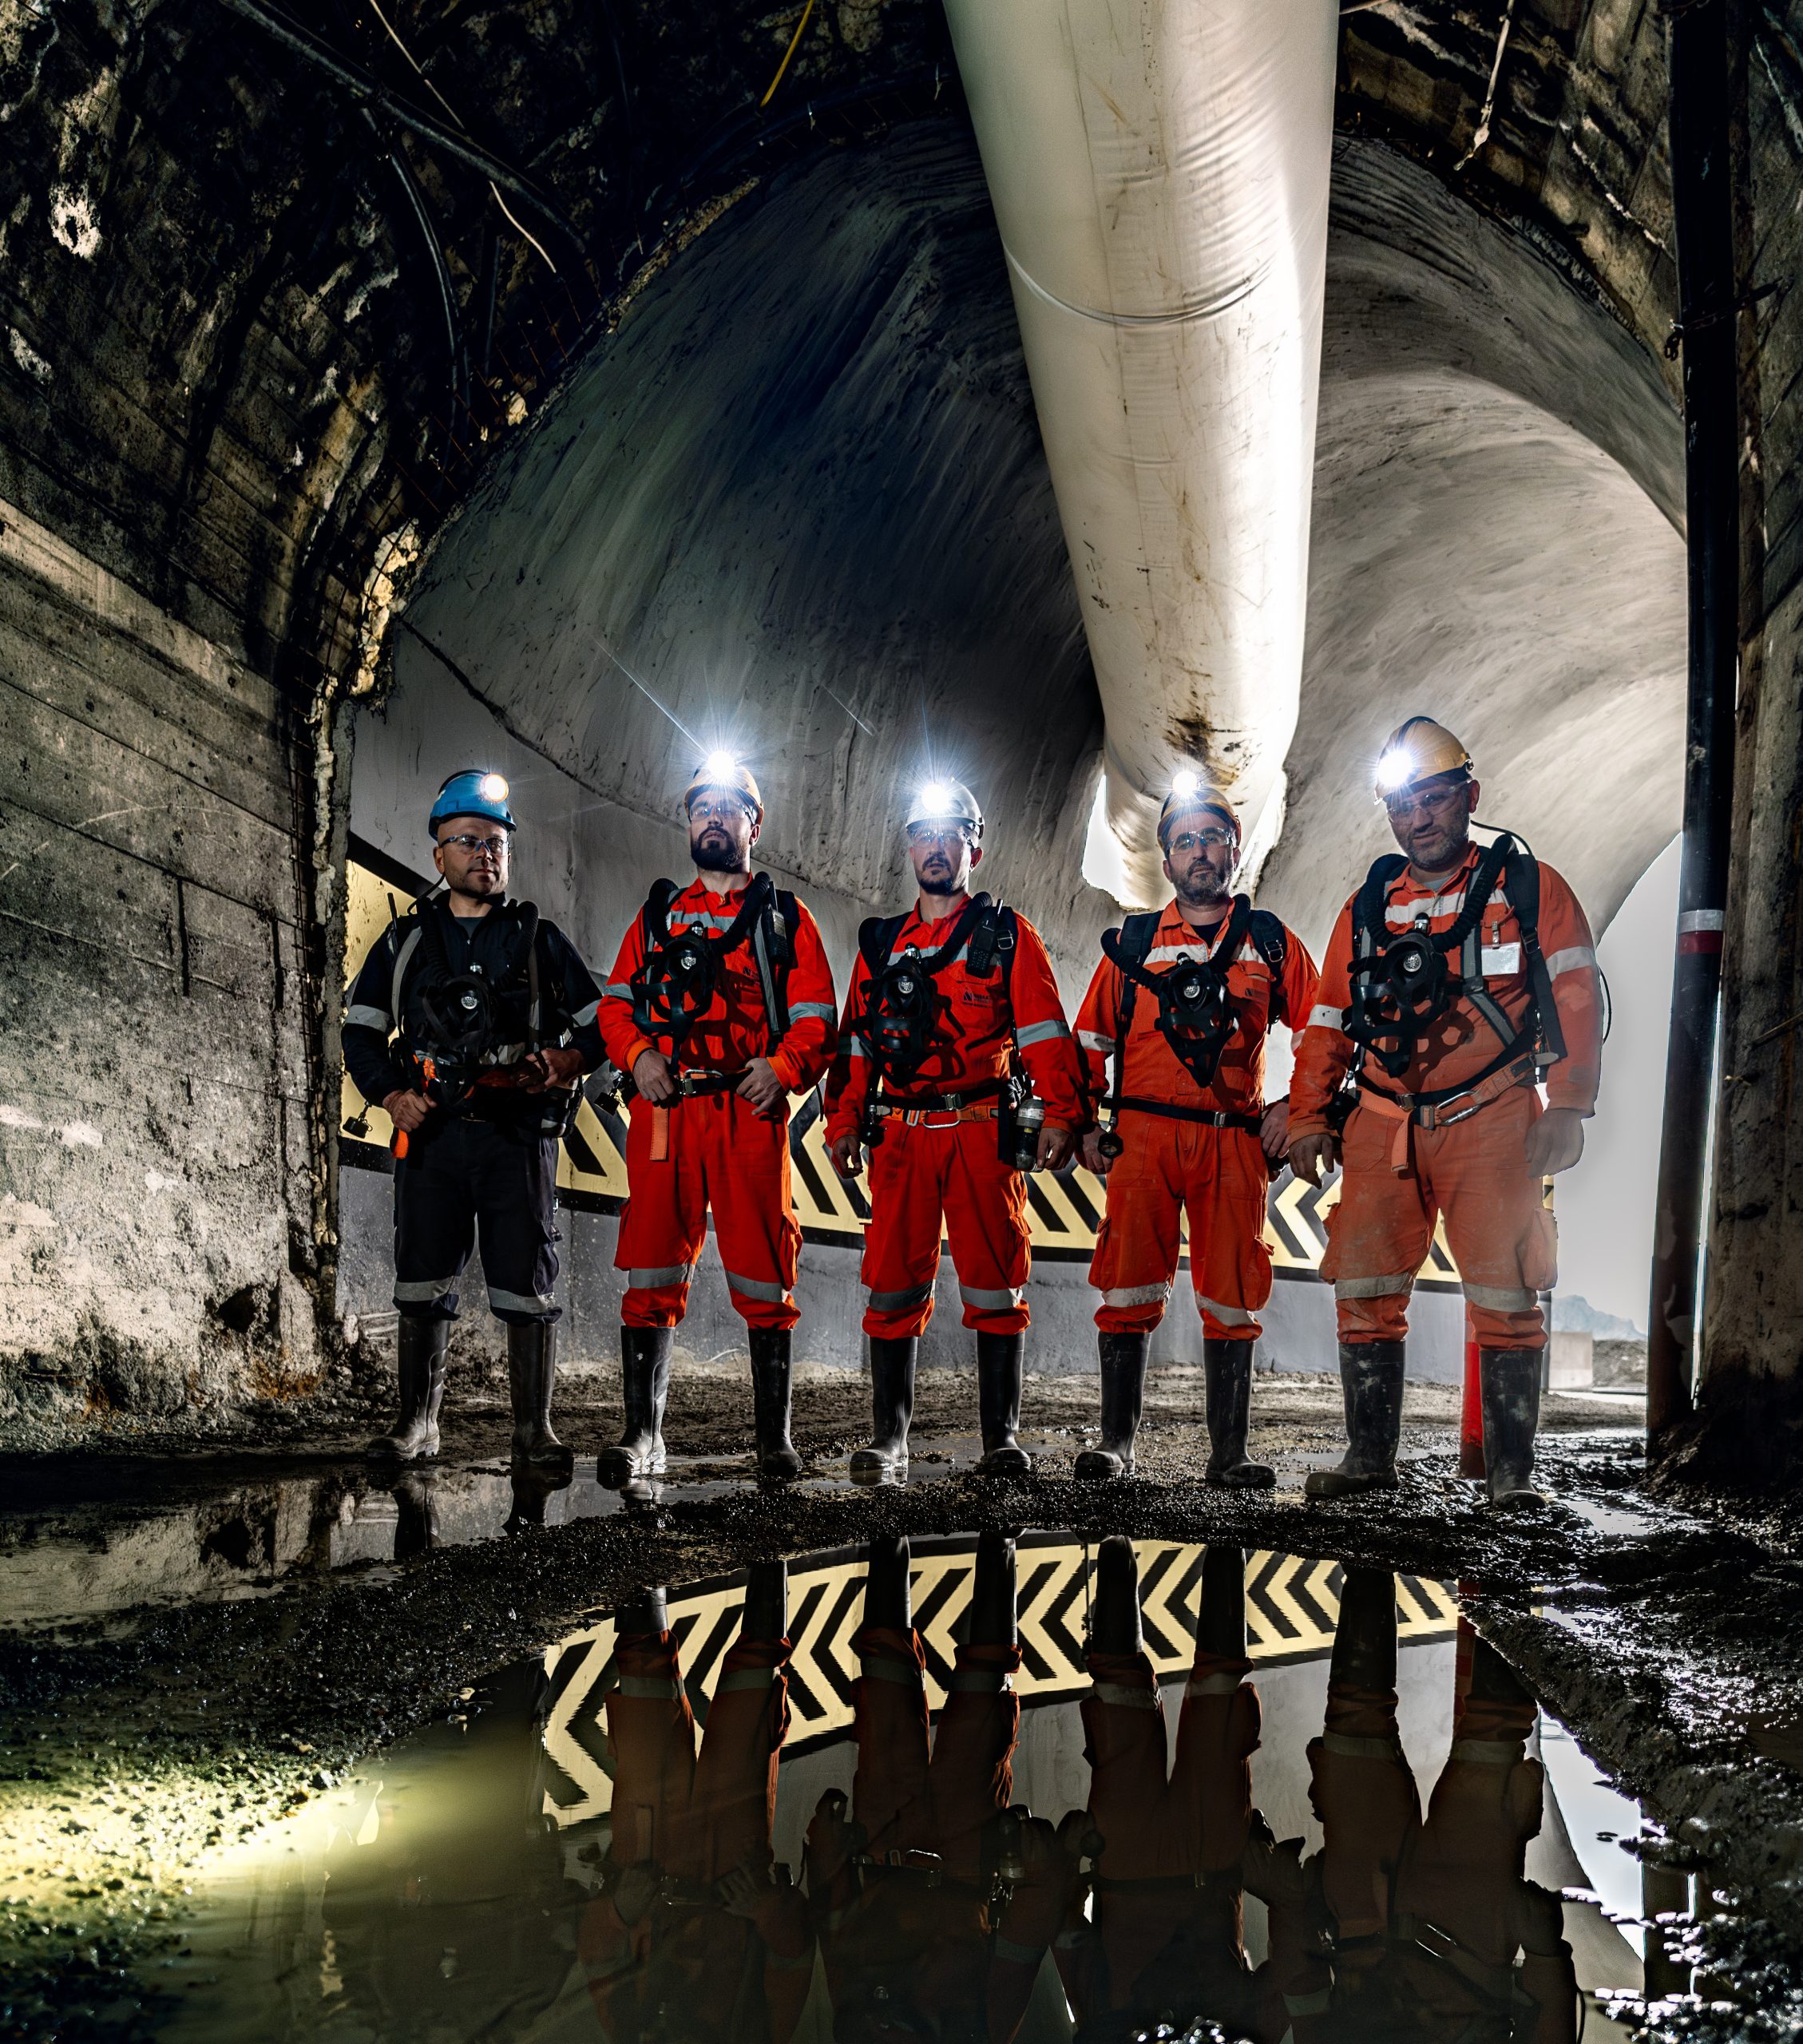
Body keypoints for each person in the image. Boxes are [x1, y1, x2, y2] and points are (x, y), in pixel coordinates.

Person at [1288, 718, 1603, 1507]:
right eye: (1402, 805)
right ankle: (1368, 1458)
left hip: (1491, 1116)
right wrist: (1308, 1116)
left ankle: (1510, 1476)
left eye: (1432, 798)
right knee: (1363, 1286)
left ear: (1469, 796)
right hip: (1382, 1118)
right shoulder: (1368, 907)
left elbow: (1573, 995)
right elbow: (1327, 1020)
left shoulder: (1525, 889)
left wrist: (1567, 1103)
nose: (1417, 817)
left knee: (1505, 1293)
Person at [343, 769, 605, 1468]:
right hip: (432, 1134)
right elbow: (360, 1033)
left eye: (496, 843)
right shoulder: (405, 942)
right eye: (467, 841)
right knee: (422, 1278)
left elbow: (601, 1023)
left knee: (527, 1281)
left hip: (516, 1136)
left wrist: (568, 1061)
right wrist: (392, 1096)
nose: (484, 853)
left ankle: (533, 1432)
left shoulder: (539, 941)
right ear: (439, 854)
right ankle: (417, 1425)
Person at [824, 780, 1083, 1477]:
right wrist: (843, 1120)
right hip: (901, 1134)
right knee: (891, 1284)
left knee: (996, 1283)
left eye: (949, 835)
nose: (935, 847)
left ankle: (1000, 1439)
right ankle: (890, 1439)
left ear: (976, 848)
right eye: (923, 835)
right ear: (909, 847)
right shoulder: (881, 945)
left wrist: (1062, 1113)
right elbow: (857, 1042)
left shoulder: (1006, 935)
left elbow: (1044, 1033)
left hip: (980, 1131)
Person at [595, 753, 838, 1483]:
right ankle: (643, 1436)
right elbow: (615, 1006)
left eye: (729, 808)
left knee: (765, 1273)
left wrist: (783, 1070)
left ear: (752, 826)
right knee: (651, 1265)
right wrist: (639, 1055)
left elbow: (817, 1019)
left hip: (745, 1111)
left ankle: (772, 1440)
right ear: (689, 824)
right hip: (667, 1112)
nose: (713, 819)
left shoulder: (785, 920)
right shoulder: (659, 919)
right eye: (702, 808)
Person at [1073, 775, 1319, 1483]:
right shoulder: (1135, 944)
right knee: (1126, 1288)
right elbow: (1088, 1043)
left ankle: (1229, 1454)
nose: (1201, 852)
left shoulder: (1269, 943)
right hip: (1142, 1138)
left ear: (1235, 851)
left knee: (1233, 1294)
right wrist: (1081, 1122)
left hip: (1233, 1138)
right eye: (1186, 841)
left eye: (1214, 839)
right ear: (1167, 859)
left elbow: (1323, 1032)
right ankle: (1116, 1444)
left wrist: (1297, 1110)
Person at [806, 1532, 1076, 2042]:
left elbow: (835, 1930)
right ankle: (1000, 1535)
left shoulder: (858, 2032)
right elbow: (1023, 1941)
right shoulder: (982, 2033)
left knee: (886, 1687)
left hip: (885, 1846)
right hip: (965, 1857)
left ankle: (888, 1530)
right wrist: (1042, 1874)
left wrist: (825, 1854)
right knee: (982, 1697)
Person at [577, 1565, 814, 2044]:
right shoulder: (755, 2038)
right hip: (732, 1872)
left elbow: (598, 1960)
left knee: (644, 1690)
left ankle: (641, 1535)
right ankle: (773, 1543)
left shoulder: (627, 2033)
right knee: (753, 1688)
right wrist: (765, 1909)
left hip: (648, 1861)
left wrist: (619, 1912)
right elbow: (795, 1957)